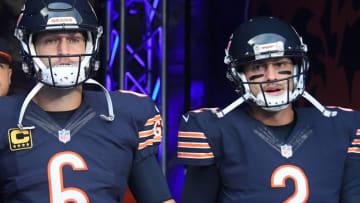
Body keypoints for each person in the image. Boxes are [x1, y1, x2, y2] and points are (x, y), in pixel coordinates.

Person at [0, 0, 175, 202]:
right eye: (50, 40)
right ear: (29, 47)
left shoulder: (125, 114)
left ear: (91, 44)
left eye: (74, 39)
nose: (63, 51)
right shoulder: (5, 117)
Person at [177, 16, 360, 202]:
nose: (271, 77)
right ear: (238, 75)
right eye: (257, 67)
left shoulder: (344, 127)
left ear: (298, 67)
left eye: (280, 64)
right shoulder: (213, 130)